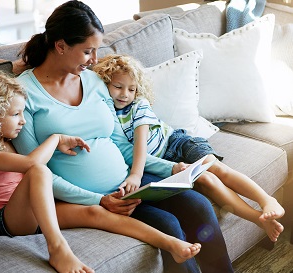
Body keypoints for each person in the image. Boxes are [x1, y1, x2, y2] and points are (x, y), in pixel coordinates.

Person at [12, 1, 235, 272]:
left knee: (198, 204)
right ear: (60, 46)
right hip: (87, 198)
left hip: (128, 185)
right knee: (168, 226)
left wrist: (172, 168)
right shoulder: (23, 94)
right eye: (88, 51)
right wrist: (99, 200)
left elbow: (120, 145)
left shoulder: (93, 82)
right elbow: (35, 170)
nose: (95, 60)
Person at [0, 70, 204, 273]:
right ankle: (58, 249)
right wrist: (55, 138)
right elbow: (32, 164)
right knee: (39, 172)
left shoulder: (8, 142)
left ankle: (171, 244)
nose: (22, 120)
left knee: (96, 213)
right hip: (4, 221)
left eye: (23, 113)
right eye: (15, 114)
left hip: (34, 209)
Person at [92, 54, 286, 243]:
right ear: (105, 84)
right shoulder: (106, 115)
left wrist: (136, 174)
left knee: (215, 168)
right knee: (207, 181)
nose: (125, 94)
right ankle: (258, 219)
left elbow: (140, 145)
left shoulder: (139, 105)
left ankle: (266, 200)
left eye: (131, 89)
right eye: (118, 87)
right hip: (165, 163)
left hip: (177, 143)